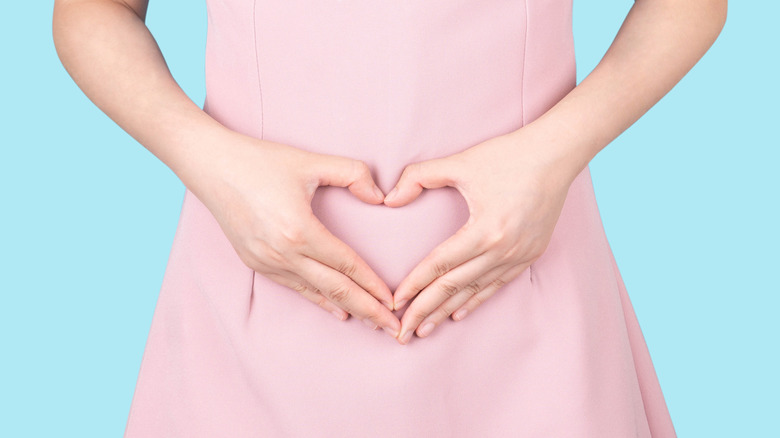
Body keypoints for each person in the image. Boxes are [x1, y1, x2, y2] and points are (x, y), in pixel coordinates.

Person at [53, 0, 726, 436]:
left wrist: (554, 153)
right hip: (258, 299)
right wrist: (209, 161)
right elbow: (90, 12)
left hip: (521, 285)